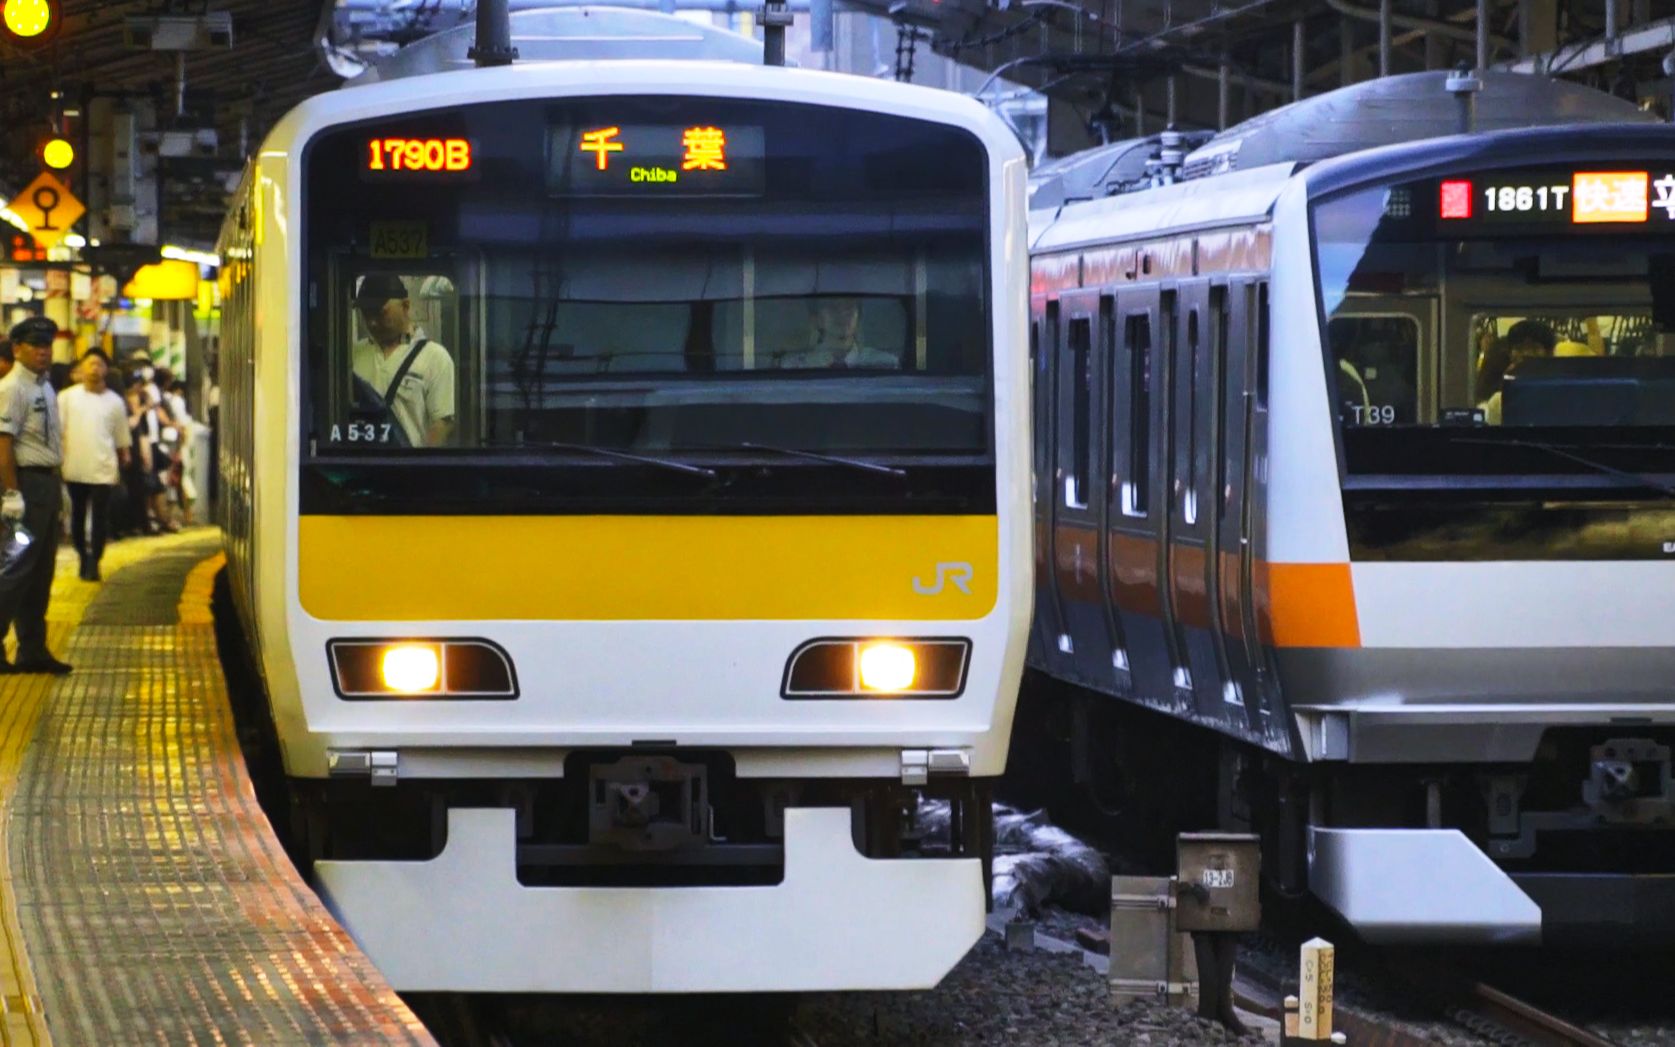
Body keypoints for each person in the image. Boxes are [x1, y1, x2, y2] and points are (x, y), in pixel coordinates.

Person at [0, 317, 72, 674]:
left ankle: (32, 649)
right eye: (35, 344)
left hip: (46, 486)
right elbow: (3, 445)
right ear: (17, 348)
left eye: (47, 345)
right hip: (25, 487)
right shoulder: (13, 388)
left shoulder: (44, 385)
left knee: (41, 570)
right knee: (15, 567)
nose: (44, 351)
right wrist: (12, 493)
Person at [350, 273, 455, 447]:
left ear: (405, 305)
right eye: (366, 315)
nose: (372, 323)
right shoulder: (353, 354)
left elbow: (441, 424)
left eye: (380, 314)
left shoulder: (435, 357)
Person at [59, 349, 132, 581]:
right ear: (81, 367)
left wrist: (123, 457)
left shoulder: (115, 402)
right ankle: (82, 554)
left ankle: (95, 560)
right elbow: (59, 432)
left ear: (106, 370)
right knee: (78, 514)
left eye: (99, 364)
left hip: (103, 467)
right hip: (74, 466)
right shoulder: (66, 398)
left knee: (100, 516)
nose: (94, 369)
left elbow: (121, 439)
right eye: (90, 364)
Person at [779, 297, 899, 369]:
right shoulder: (795, 367)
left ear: (858, 316)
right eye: (833, 307)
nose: (842, 314)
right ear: (816, 319)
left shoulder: (884, 364)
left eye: (849, 307)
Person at [1475, 319, 1556, 425]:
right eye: (1519, 348)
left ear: (1549, 354)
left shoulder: (1557, 388)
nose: (1526, 354)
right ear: (1510, 353)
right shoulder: (1498, 400)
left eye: (1535, 348)